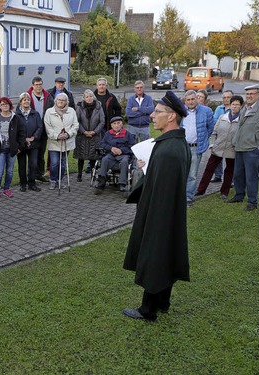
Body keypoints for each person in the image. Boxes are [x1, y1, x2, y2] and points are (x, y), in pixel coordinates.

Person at [123, 90, 191, 322]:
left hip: (160, 215)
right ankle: (163, 301)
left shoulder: (169, 151)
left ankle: (148, 310)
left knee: (156, 255)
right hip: (167, 213)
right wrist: (148, 167)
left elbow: (162, 192)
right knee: (166, 254)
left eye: (158, 112)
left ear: (171, 117)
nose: (153, 115)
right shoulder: (175, 144)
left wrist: (153, 220)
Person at [227, 84, 259, 211]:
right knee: (237, 175)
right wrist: (234, 141)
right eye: (247, 94)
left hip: (252, 150)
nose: (249, 96)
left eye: (252, 93)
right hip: (239, 147)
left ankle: (252, 202)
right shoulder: (245, 108)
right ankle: (239, 195)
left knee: (251, 177)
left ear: (258, 94)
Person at [195, 95, 244, 200]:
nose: (234, 107)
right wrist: (212, 144)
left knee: (229, 171)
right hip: (218, 148)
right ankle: (201, 190)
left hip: (232, 149)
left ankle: (224, 192)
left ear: (241, 106)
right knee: (209, 169)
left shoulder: (242, 121)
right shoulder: (223, 117)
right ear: (230, 105)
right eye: (233, 104)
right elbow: (214, 133)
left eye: (237, 105)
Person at [181, 90, 215, 206]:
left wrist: (203, 140)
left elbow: (210, 128)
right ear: (185, 101)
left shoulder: (206, 111)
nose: (190, 102)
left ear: (197, 99)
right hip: (182, 147)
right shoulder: (181, 111)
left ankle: (188, 197)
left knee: (192, 174)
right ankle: (179, 195)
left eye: (192, 99)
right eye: (188, 100)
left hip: (196, 148)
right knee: (181, 172)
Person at [0, 97, 25, 200]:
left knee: (10, 171)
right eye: (3, 104)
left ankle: (7, 189)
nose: (5, 106)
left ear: (10, 105)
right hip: (0, 150)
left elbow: (21, 133)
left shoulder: (15, 118)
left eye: (7, 104)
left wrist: (19, 147)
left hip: (12, 149)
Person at [44, 92, 79, 190]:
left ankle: (60, 180)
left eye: (63, 100)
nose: (60, 102)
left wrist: (68, 134)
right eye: (59, 100)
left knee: (63, 163)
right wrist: (57, 136)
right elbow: (48, 127)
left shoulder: (72, 111)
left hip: (67, 142)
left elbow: (75, 125)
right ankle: (53, 180)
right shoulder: (49, 112)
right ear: (55, 101)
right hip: (54, 142)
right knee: (54, 162)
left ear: (66, 102)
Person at [94, 116, 136, 194]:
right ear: (111, 125)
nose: (116, 125)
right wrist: (111, 148)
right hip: (111, 154)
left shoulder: (128, 134)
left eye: (118, 123)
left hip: (123, 155)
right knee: (104, 159)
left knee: (124, 161)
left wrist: (121, 150)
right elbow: (103, 144)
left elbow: (132, 147)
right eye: (114, 123)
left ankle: (122, 183)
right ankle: (102, 180)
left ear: (122, 124)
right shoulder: (108, 134)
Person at [26, 76, 55, 183]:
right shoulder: (27, 96)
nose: (38, 86)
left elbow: (53, 111)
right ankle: (31, 176)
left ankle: (39, 174)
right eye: (36, 84)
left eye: (40, 84)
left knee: (41, 154)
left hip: (43, 130)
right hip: (31, 131)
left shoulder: (48, 97)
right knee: (32, 155)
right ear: (32, 85)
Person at [73, 89, 105, 182]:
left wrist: (94, 132)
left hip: (95, 136)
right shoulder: (79, 107)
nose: (89, 98)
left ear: (93, 97)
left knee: (93, 157)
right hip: (82, 136)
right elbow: (76, 121)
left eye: (91, 96)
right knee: (81, 156)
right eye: (87, 96)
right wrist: (84, 131)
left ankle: (93, 175)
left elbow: (102, 121)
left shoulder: (99, 107)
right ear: (84, 98)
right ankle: (79, 175)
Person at [15, 92, 44, 192]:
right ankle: (23, 184)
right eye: (24, 100)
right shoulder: (16, 115)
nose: (26, 101)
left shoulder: (35, 114)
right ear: (20, 102)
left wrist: (33, 138)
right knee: (22, 165)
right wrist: (23, 140)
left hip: (33, 144)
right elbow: (14, 129)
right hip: (21, 144)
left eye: (28, 100)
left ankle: (32, 183)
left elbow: (40, 127)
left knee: (33, 164)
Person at [211, 90, 234, 183]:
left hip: (230, 138)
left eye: (228, 97)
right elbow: (214, 120)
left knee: (230, 160)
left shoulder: (236, 108)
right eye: (224, 97)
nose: (226, 99)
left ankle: (231, 180)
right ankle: (218, 176)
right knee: (217, 157)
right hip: (219, 136)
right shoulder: (219, 108)